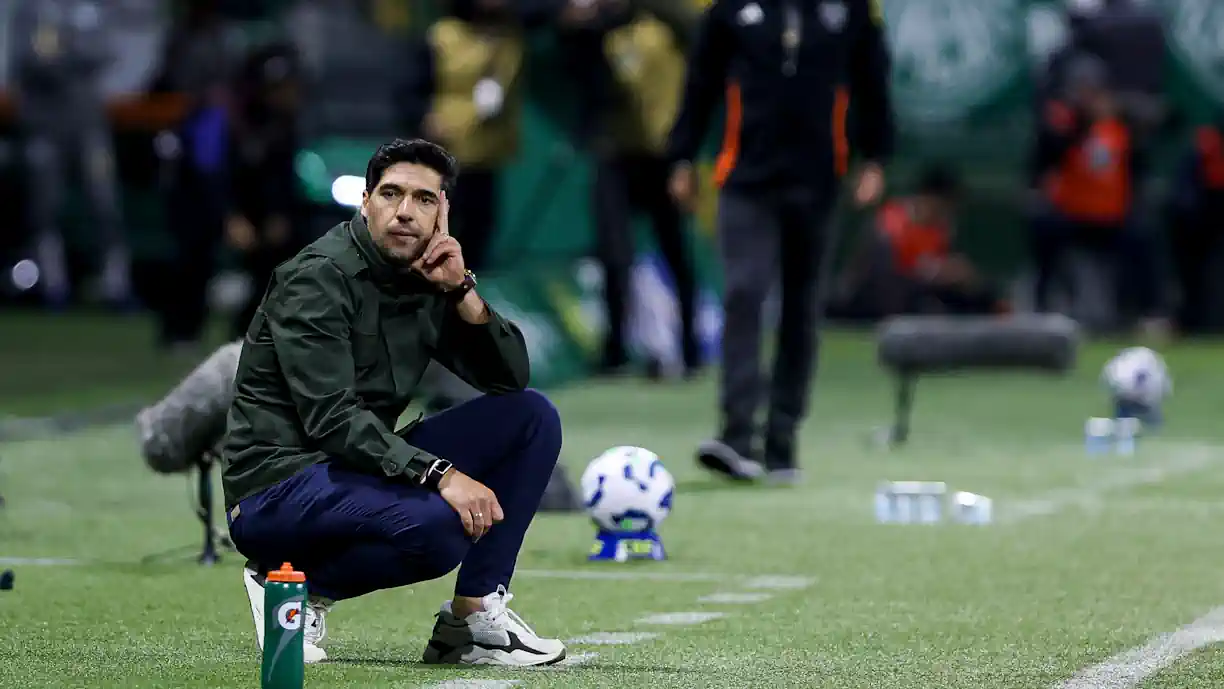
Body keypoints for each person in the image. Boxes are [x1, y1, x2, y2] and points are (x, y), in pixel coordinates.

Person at [220, 139, 566, 666]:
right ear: (366, 202)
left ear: (442, 212)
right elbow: (331, 419)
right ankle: (288, 586)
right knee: (438, 528)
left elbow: (509, 378)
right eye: (391, 194)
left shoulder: (426, 275)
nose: (405, 211)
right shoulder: (316, 277)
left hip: (352, 468)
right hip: (276, 488)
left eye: (423, 199)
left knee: (531, 417)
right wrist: (441, 474)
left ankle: (472, 619)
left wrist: (461, 289)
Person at [665, 0, 894, 482]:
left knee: (801, 307)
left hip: (818, 180)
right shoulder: (731, 9)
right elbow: (701, 80)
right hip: (746, 178)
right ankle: (737, 435)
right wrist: (682, 155)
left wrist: (875, 157)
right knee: (743, 290)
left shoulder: (851, 10)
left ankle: (782, 439)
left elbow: (871, 78)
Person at [1027, 55, 1166, 334]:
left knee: (1143, 239)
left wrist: (1123, 112)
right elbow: (1044, 160)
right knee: (1044, 231)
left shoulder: (1121, 124)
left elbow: (1163, 120)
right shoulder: (1063, 124)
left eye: (1093, 88)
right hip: (1072, 215)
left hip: (1112, 218)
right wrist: (1084, 123)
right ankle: (1042, 309)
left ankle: (1149, 314)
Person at [10, 0, 130, 309]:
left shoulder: (90, 8)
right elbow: (28, 59)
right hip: (44, 124)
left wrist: (63, 52)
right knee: (44, 207)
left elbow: (104, 53)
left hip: (88, 125)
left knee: (105, 203)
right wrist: (70, 54)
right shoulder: (31, 9)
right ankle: (53, 285)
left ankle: (115, 285)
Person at [833, 166, 1004, 319]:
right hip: (876, 297)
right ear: (927, 198)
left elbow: (941, 268)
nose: (946, 213)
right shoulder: (892, 220)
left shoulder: (939, 230)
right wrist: (932, 274)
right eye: (943, 206)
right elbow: (883, 275)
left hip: (919, 294)